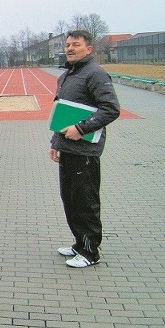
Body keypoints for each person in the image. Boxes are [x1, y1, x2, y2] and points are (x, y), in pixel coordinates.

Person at [49, 29, 120, 268]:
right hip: (67, 149)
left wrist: (80, 129)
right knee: (70, 198)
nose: (70, 48)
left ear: (88, 49)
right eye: (68, 44)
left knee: (85, 201)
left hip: (85, 152)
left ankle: (91, 252)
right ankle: (79, 243)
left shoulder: (96, 74)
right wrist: (55, 143)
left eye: (75, 44)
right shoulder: (67, 75)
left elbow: (111, 109)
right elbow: (60, 113)